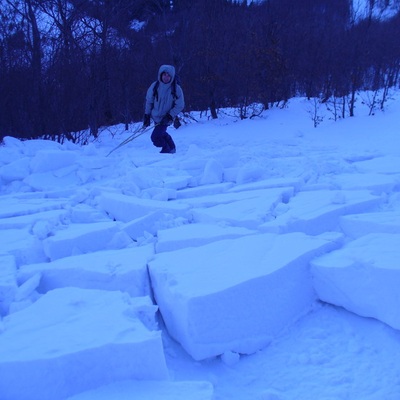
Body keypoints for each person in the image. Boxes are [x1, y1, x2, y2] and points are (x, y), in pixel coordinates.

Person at [143, 64, 184, 154]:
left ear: (171, 76)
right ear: (160, 75)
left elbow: (180, 105)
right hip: (156, 116)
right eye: (164, 74)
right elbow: (149, 101)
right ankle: (172, 148)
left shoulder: (176, 89)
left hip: (166, 118)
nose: (166, 77)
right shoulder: (155, 86)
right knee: (160, 134)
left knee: (155, 137)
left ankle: (166, 149)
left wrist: (170, 115)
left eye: (168, 75)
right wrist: (147, 115)